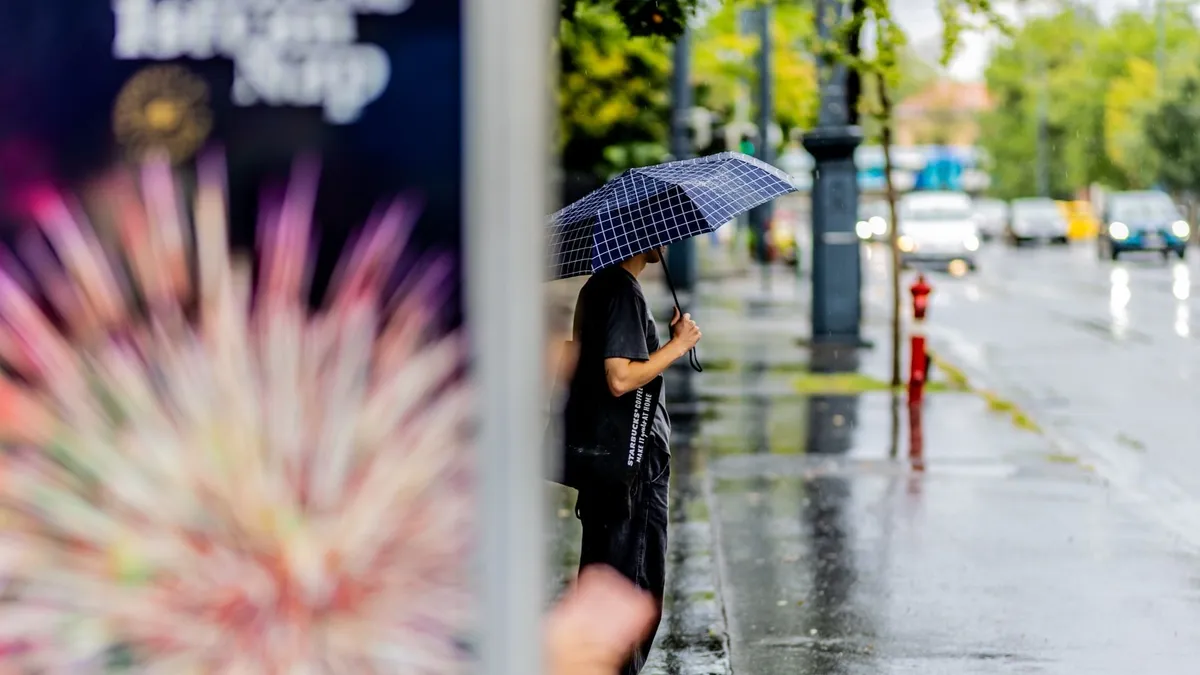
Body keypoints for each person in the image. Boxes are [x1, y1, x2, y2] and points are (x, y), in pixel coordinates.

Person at [562, 248, 702, 674]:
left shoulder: (596, 287)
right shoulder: (623, 291)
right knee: (632, 588)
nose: (667, 243)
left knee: (604, 585)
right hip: (633, 461)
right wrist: (678, 346)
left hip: (606, 460)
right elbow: (620, 377)